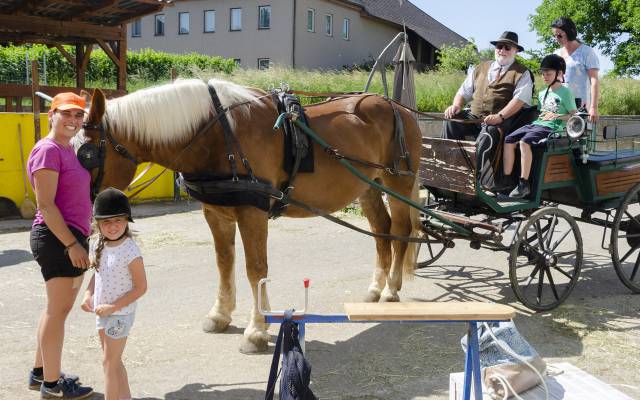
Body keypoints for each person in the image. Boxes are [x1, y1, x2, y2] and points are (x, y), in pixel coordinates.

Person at [27, 92, 94, 399]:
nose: (73, 120)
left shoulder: (68, 149)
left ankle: (40, 374)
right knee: (58, 312)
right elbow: (46, 205)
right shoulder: (48, 150)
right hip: (57, 239)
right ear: (51, 114)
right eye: (66, 113)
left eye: (79, 115)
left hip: (71, 237)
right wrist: (71, 245)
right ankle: (52, 387)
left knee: (57, 311)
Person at [442, 31, 535, 189]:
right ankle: (447, 167)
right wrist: (456, 105)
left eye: (507, 47)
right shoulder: (480, 68)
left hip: (505, 120)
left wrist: (500, 116)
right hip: (475, 115)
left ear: (515, 51)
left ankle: (474, 177)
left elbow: (519, 101)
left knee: (489, 133)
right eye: (499, 46)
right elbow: (463, 92)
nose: (502, 50)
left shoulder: (522, 73)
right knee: (451, 121)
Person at [80, 188, 147, 400]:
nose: (113, 226)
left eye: (118, 220)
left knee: (108, 363)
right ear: (97, 224)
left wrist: (113, 307)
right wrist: (87, 294)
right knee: (114, 361)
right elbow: (97, 274)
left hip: (120, 313)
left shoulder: (130, 251)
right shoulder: (97, 244)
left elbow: (141, 287)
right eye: (106, 222)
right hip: (102, 311)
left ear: (127, 220)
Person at [501, 54, 577, 198]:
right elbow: (541, 113)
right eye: (543, 74)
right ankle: (507, 180)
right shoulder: (543, 93)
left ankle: (524, 184)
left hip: (552, 128)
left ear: (559, 73)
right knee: (509, 139)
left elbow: (575, 116)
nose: (545, 77)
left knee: (524, 142)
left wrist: (557, 116)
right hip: (538, 125)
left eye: (548, 74)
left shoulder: (566, 93)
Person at [552, 16, 600, 122]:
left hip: (581, 107)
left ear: (569, 32)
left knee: (580, 138)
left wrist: (593, 107)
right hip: (560, 107)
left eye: (559, 35)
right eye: (554, 35)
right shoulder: (556, 54)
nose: (556, 39)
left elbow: (594, 80)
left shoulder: (586, 52)